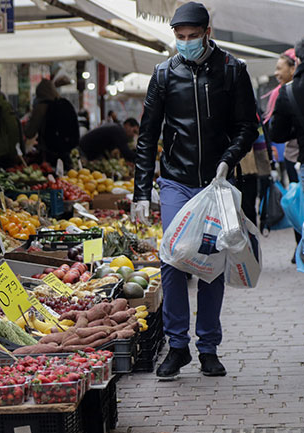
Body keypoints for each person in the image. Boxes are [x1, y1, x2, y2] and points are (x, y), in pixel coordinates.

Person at [131, 2, 258, 379]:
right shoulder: (164, 74)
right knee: (172, 258)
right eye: (179, 37)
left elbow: (247, 126)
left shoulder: (233, 70)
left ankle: (208, 347)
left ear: (207, 31)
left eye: (192, 36)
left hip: (217, 183)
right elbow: (147, 135)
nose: (185, 43)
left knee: (211, 263)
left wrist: (228, 158)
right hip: (175, 180)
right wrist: (141, 191)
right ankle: (176, 346)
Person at [264, 48, 300, 259]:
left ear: (293, 67)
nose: (276, 73)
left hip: (295, 156)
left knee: (297, 204)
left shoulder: (287, 92)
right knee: (296, 203)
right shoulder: (282, 92)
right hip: (292, 156)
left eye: (280, 68)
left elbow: (277, 131)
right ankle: (299, 245)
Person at [24, 78, 80, 170]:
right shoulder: (65, 104)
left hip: (49, 153)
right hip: (66, 152)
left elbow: (29, 133)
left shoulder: (41, 107)